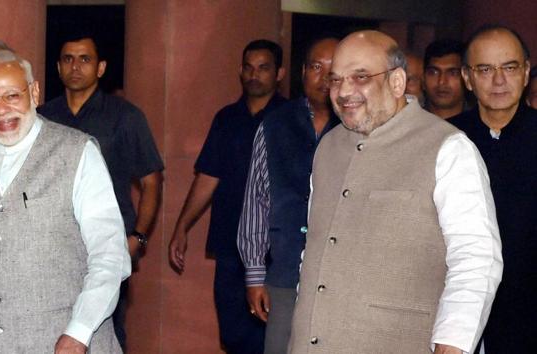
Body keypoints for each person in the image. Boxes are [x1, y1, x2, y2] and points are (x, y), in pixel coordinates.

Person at [289, 30, 502, 354]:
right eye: (336, 79)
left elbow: (476, 258)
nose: (344, 91)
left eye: (360, 77)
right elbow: (317, 248)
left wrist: (454, 343)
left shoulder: (448, 148)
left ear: (398, 82)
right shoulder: (329, 147)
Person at [0, 49, 131, 353]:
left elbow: (110, 256)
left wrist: (79, 331)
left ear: (34, 92)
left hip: (63, 341)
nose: (1, 110)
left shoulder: (77, 153)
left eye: (12, 96)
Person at [38, 33, 163, 348]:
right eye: (68, 59)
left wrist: (139, 238)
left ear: (101, 67)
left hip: (108, 243)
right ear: (58, 66)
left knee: (106, 329)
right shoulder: (43, 117)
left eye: (85, 59)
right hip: (52, 245)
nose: (75, 66)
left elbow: (151, 180)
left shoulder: (125, 116)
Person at [168, 39, 286, 353]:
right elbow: (208, 176)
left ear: (279, 73)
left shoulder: (290, 119)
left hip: (277, 250)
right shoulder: (226, 118)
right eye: (248, 67)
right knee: (234, 337)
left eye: (263, 68)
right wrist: (182, 227)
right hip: (231, 245)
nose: (254, 75)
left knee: (271, 338)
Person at [236, 37, 339, 354]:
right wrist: (255, 274)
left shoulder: (360, 127)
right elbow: (256, 201)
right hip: (285, 273)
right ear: (304, 72)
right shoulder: (275, 124)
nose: (324, 77)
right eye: (316, 67)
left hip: (341, 278)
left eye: (334, 70)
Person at [449, 25, 537, 352]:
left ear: (526, 72)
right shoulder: (444, 141)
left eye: (509, 67)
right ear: (467, 78)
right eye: (485, 69)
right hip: (461, 315)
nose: (498, 80)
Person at [423, 39, 467, 119]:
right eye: (433, 72)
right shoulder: (406, 123)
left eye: (453, 73)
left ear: (467, 78)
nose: (441, 81)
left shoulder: (481, 126)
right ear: (423, 77)